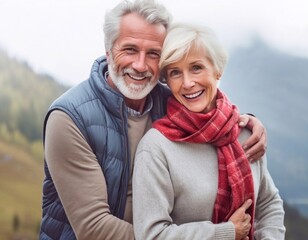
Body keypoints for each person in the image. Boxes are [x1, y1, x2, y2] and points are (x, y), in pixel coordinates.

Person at [39, 0, 267, 239]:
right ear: (108, 51)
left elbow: (211, 115)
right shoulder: (68, 119)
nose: (140, 65)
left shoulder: (169, 100)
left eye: (153, 54)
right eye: (129, 50)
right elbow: (95, 227)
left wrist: (245, 122)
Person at [132, 22, 285, 240]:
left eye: (196, 67)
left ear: (217, 70)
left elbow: (269, 203)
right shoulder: (156, 147)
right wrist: (225, 233)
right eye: (176, 72)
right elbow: (151, 235)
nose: (187, 83)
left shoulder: (243, 132)